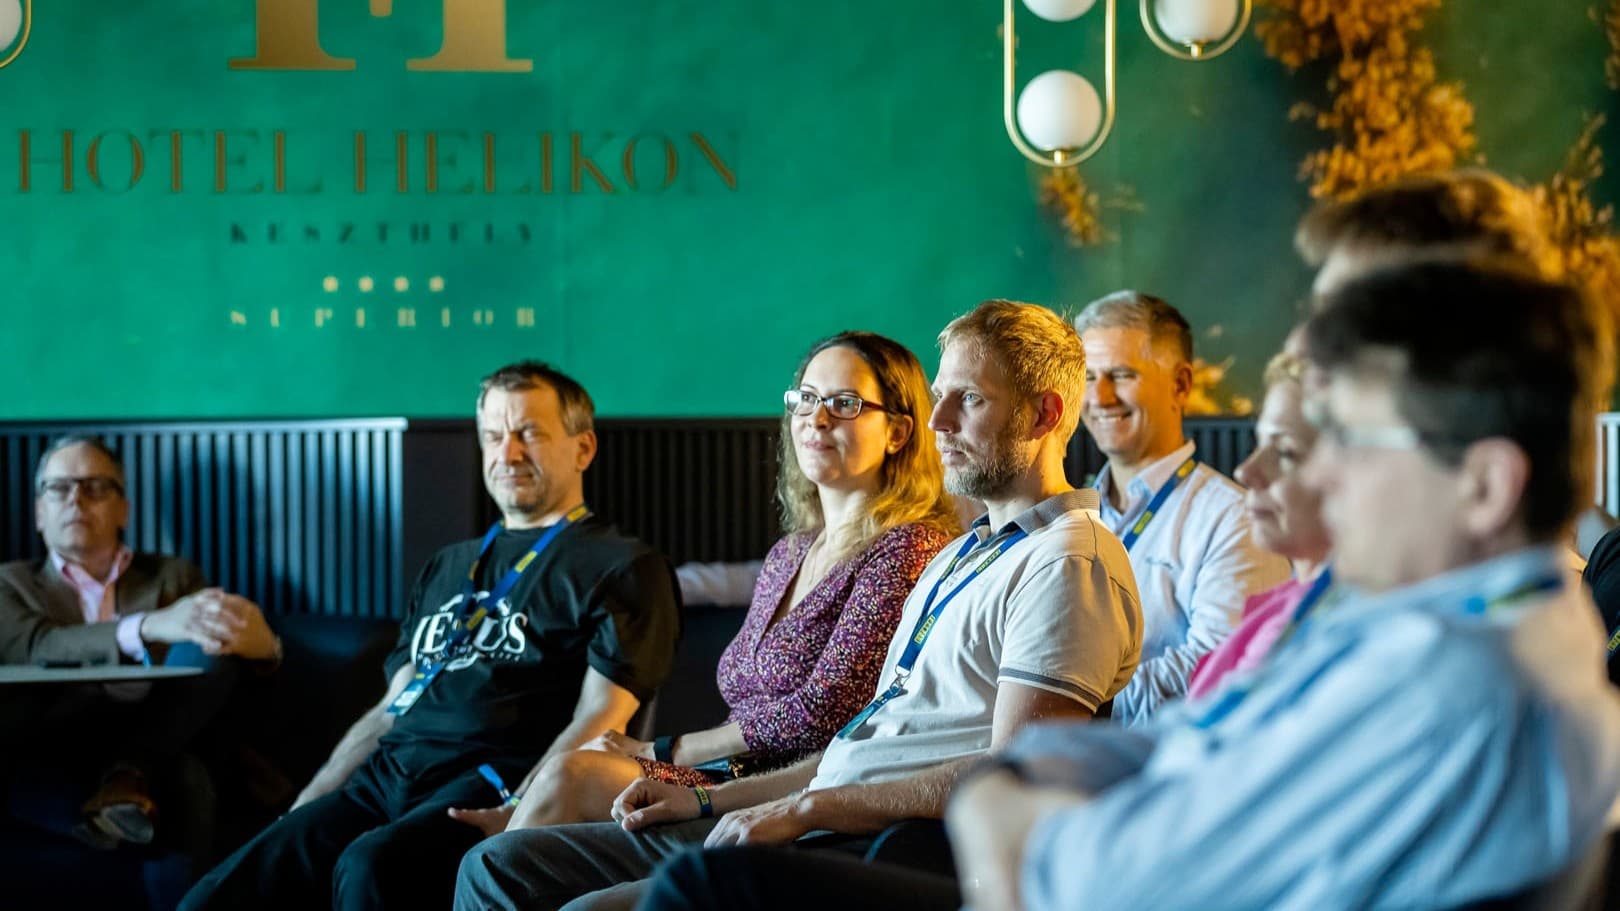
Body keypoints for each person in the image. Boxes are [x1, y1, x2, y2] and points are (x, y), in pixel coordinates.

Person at [637, 259, 1620, 911]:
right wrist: (1041, 771)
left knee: (703, 893)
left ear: (1484, 486)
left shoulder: (1458, 680)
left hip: (1020, 857)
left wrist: (1014, 788)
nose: (1289, 477)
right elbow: (1186, 742)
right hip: (1016, 821)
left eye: (1344, 445)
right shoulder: (1408, 628)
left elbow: (1130, 868)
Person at [453, 300, 1142, 911]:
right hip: (808, 807)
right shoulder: (966, 554)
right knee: (497, 865)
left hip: (872, 844)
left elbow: (1014, 770)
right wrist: (705, 796)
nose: (938, 420)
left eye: (969, 399)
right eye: (940, 396)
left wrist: (802, 808)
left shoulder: (1067, 560)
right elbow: (859, 744)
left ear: (1045, 414)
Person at [178, 361, 682, 911]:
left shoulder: (621, 565)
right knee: (216, 894)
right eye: (493, 435)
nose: (508, 452)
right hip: (386, 775)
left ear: (583, 448)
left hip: (489, 779)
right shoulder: (449, 565)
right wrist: (306, 803)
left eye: (529, 433)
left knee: (370, 868)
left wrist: (522, 807)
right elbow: (391, 707)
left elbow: (602, 717)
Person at [446, 332, 955, 835]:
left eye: (845, 403)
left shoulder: (907, 548)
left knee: (570, 776)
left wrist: (660, 750)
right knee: (562, 782)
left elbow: (821, 713)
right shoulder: (790, 553)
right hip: (726, 776)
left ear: (897, 432)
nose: (817, 418)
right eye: (806, 399)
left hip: (804, 795)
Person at [0, 434, 280, 850]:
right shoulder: (8, 584)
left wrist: (268, 649)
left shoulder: (173, 576)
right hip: (57, 738)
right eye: (59, 488)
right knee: (179, 775)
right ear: (40, 512)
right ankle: (122, 784)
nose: (76, 499)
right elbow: (38, 648)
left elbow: (215, 667)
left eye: (95, 487)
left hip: (162, 729)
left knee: (190, 760)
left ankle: (128, 774)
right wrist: (148, 626)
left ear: (123, 510)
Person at [1073, 292, 1290, 721]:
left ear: (1181, 384)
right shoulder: (1073, 512)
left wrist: (1058, 700)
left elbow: (1219, 667)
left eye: (1121, 375)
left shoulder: (1234, 519)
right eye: (1088, 376)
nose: (1099, 397)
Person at [1185, 349, 1332, 699]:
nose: (1245, 470)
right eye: (1259, 444)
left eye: (1286, 452)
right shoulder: (1287, 604)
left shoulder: (1334, 628)